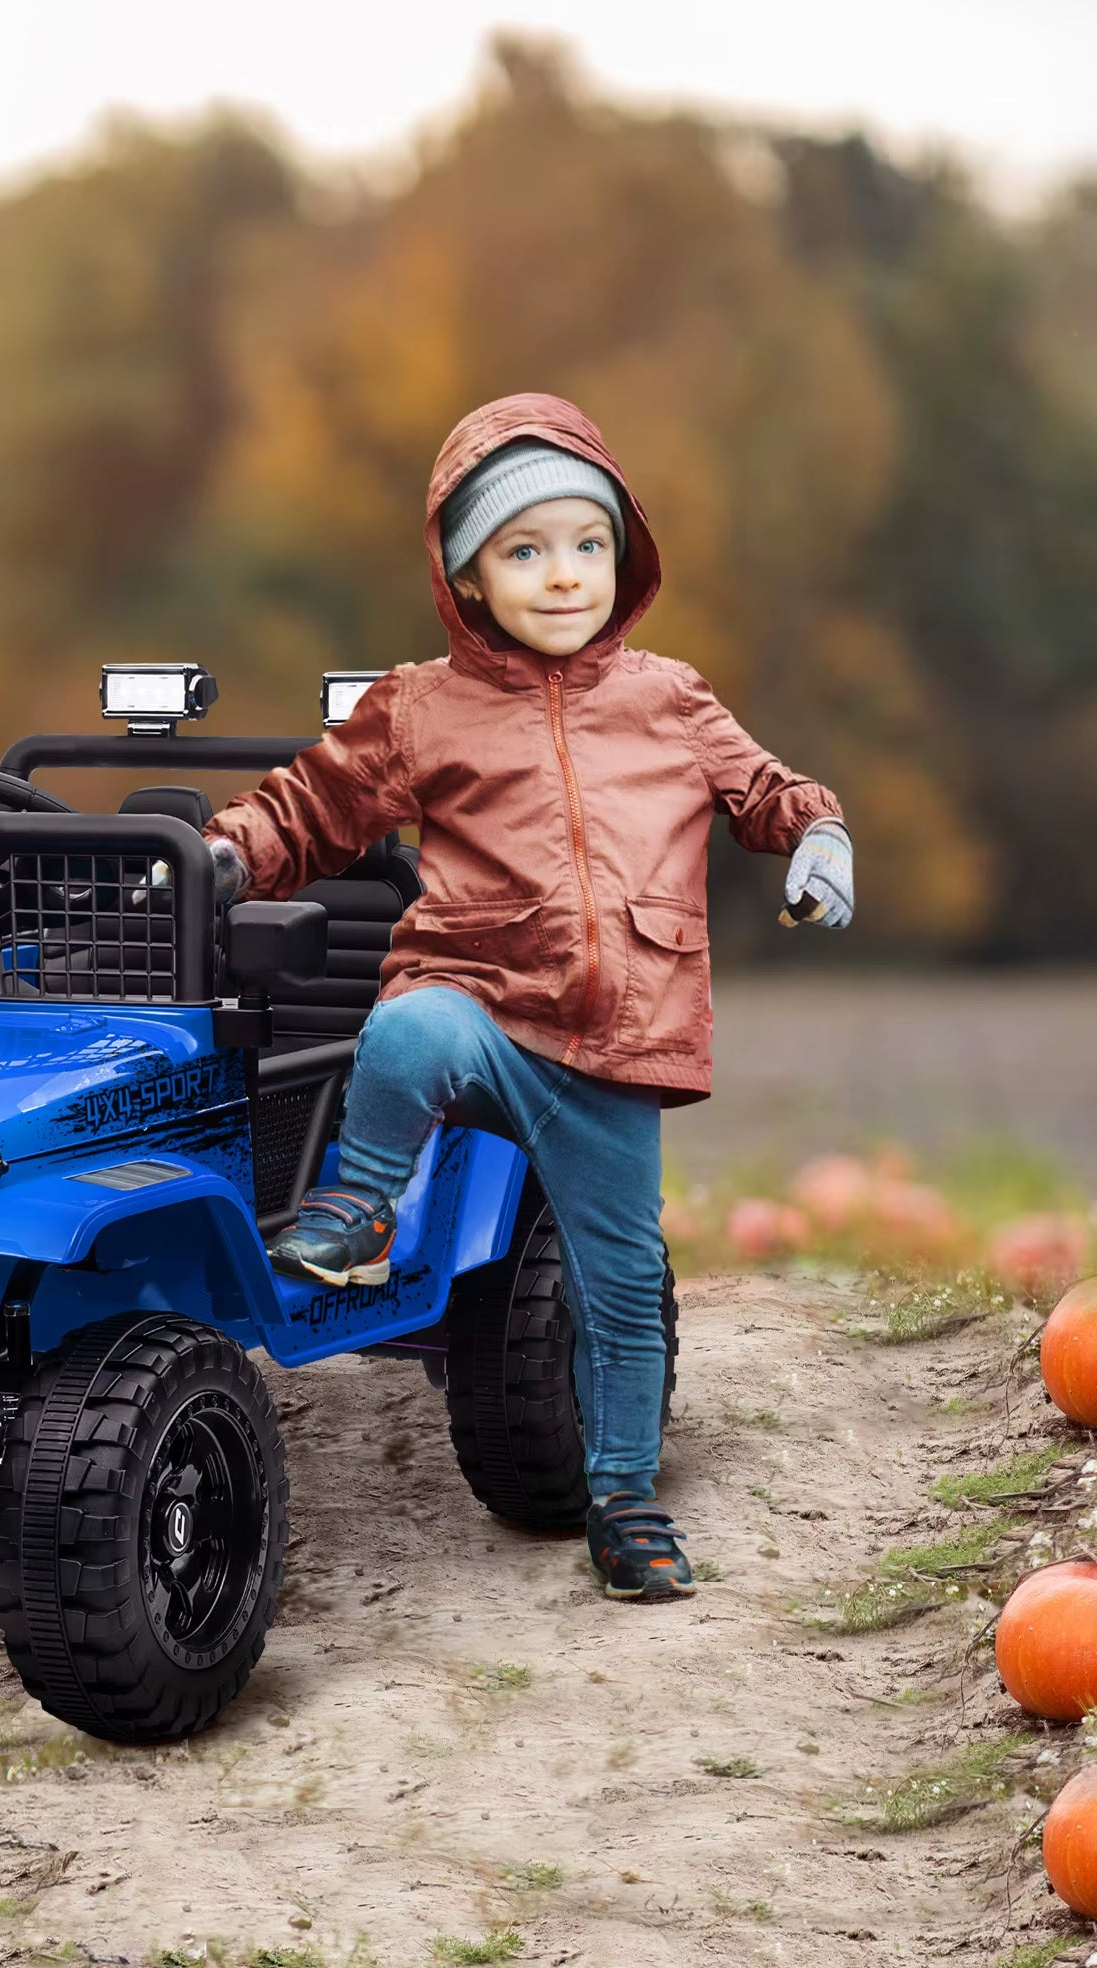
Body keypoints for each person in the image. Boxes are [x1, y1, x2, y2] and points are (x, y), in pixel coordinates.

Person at [203, 393, 852, 1604]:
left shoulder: (669, 699)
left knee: (618, 1290)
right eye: (523, 550)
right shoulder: (419, 706)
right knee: (405, 1026)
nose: (563, 577)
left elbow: (769, 791)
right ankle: (359, 1206)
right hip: (484, 1004)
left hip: (614, 1045)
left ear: (624, 553)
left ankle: (622, 1497)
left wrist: (816, 837)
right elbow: (310, 806)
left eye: (586, 544)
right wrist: (228, 852)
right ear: (465, 575)